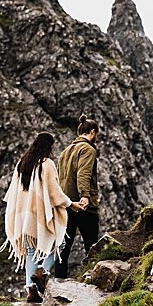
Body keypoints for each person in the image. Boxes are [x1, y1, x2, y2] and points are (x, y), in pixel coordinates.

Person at [2, 131, 87, 303]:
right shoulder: (46, 164)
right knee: (59, 242)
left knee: (31, 252)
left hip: (22, 215)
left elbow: (12, 192)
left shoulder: (22, 163)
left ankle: (31, 290)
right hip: (38, 212)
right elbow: (55, 192)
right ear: (49, 146)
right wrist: (72, 204)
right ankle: (43, 272)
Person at [57, 117, 101, 274]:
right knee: (92, 245)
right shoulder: (88, 149)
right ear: (92, 132)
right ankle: (93, 276)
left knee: (64, 246)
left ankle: (58, 281)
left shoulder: (65, 151)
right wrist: (85, 196)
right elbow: (84, 173)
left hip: (66, 204)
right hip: (83, 206)